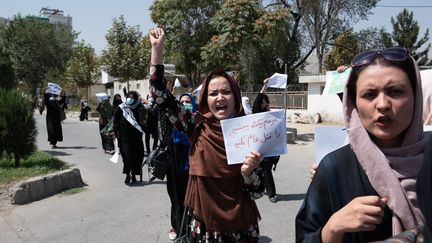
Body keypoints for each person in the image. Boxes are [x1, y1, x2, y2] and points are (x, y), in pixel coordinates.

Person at [296, 47, 431, 242]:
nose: (383, 104)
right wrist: (332, 229)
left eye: (395, 91)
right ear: (353, 102)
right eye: (369, 94)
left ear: (416, 96)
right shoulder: (334, 168)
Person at [149, 27, 265, 242]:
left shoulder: (251, 133)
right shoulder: (194, 125)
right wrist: (158, 51)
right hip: (204, 229)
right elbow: (159, 95)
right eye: (213, 93)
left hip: (242, 228)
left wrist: (248, 173)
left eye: (226, 91)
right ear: (205, 99)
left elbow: (258, 191)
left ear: (236, 97)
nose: (220, 97)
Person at [165, 93, 197, 241]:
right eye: (182, 102)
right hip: (175, 163)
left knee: (193, 199)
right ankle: (176, 226)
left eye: (188, 102)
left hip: (194, 165)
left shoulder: (197, 122)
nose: (185, 104)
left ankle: (192, 228)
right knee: (176, 198)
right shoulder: (173, 123)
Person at [252, 78, 280, 203]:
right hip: (258, 147)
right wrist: (265, 87)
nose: (263, 104)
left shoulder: (271, 116)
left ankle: (271, 194)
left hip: (268, 149)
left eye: (265, 102)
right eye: (261, 102)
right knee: (258, 170)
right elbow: (258, 100)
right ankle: (258, 189)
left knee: (267, 170)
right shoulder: (256, 114)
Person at [113, 91, 147, 184]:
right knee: (127, 156)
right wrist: (116, 132)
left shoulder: (139, 108)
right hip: (124, 137)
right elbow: (115, 121)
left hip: (136, 137)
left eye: (132, 97)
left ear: (135, 98)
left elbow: (144, 119)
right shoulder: (121, 108)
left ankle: (134, 174)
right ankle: (128, 174)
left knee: (137, 156)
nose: (130, 99)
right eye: (129, 97)